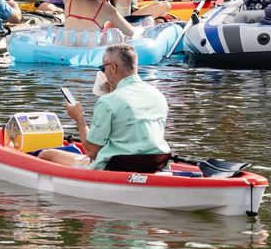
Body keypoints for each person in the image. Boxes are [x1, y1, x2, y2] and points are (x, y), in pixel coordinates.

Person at [36, 43, 171, 172]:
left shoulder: (108, 101)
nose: (103, 72)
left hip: (117, 166)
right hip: (156, 163)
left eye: (103, 68)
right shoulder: (158, 95)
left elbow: (91, 152)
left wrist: (79, 118)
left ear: (113, 68)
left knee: (46, 154)